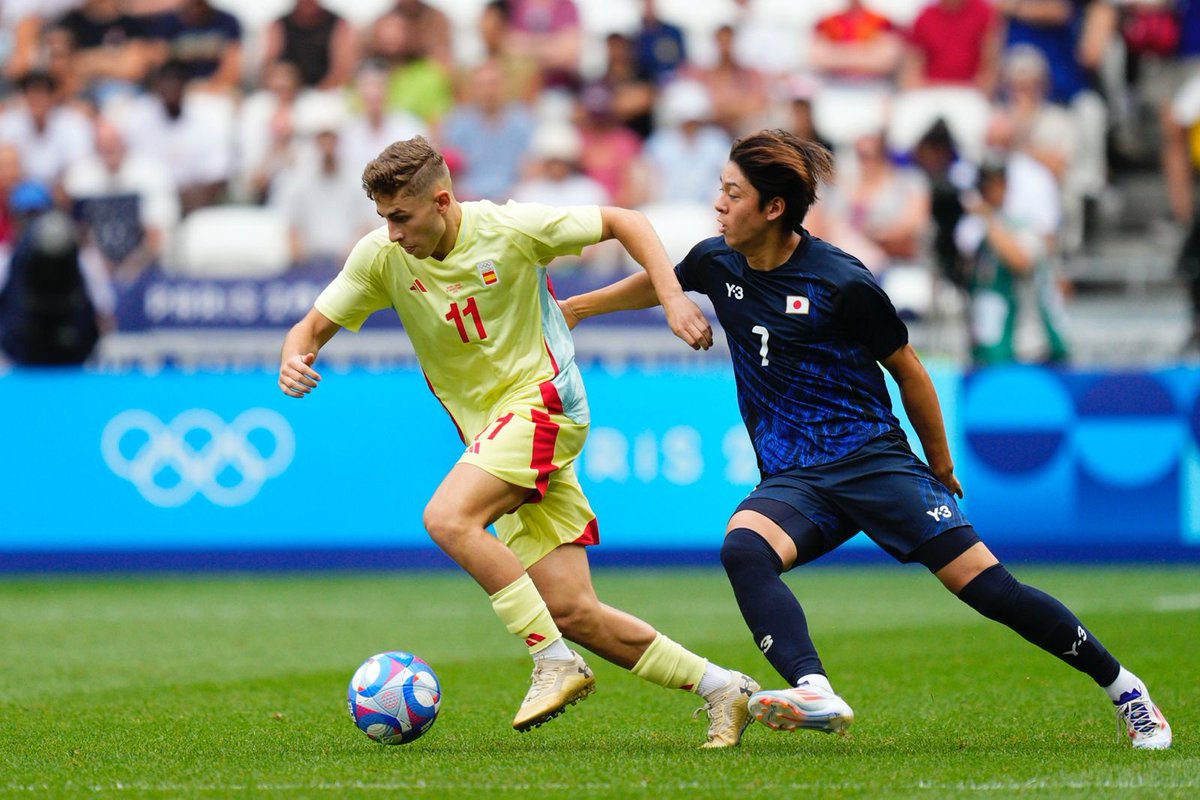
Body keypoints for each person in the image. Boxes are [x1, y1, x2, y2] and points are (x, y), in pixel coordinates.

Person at [558, 129, 1172, 750]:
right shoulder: (719, 260)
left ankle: (1126, 690)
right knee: (744, 549)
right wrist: (578, 309)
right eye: (722, 189)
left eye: (733, 193)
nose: (719, 204)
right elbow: (668, 280)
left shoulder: (841, 282)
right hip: (796, 478)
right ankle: (815, 690)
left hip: (872, 461)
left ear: (773, 208)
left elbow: (910, 372)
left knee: (990, 589)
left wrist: (939, 465)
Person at [277, 136, 759, 747]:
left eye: (401, 217)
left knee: (448, 518)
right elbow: (309, 328)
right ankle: (724, 688)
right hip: (496, 432)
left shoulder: (509, 228)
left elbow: (626, 220)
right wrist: (294, 357)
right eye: (384, 218)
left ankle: (552, 661)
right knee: (573, 611)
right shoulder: (382, 256)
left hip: (545, 401)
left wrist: (670, 296)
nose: (393, 233)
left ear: (442, 201)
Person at [956, 154, 1070, 366]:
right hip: (987, 337)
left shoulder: (1021, 226)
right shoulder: (973, 232)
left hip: (1027, 342)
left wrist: (987, 218)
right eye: (985, 184)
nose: (990, 190)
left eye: (996, 183)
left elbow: (1020, 261)